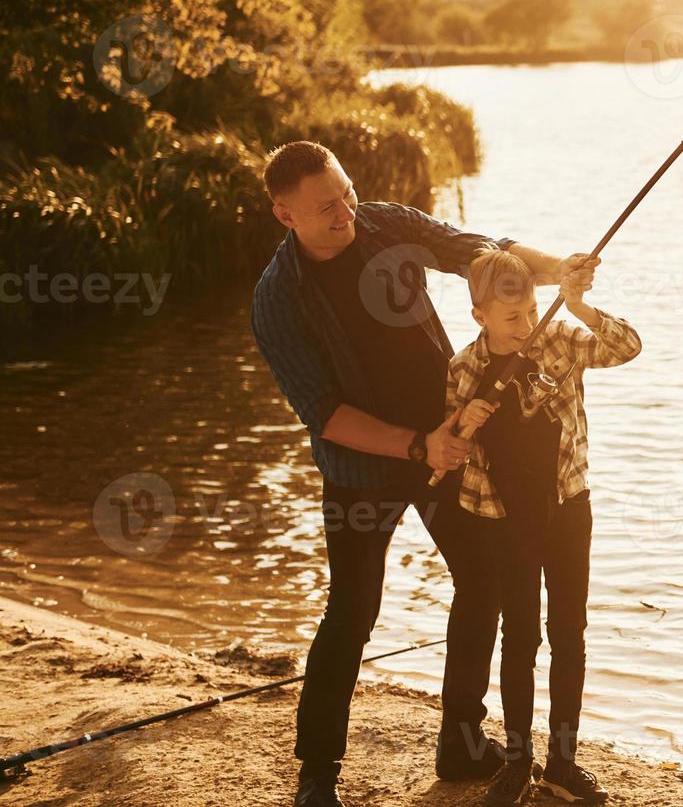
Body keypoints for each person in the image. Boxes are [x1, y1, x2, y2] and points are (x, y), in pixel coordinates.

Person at [249, 141, 599, 807]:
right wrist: (418, 447)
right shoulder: (276, 300)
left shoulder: (385, 225)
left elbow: (485, 253)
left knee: (486, 579)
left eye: (348, 192)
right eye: (326, 208)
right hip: (362, 467)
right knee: (354, 609)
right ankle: (317, 773)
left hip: (453, 444)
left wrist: (560, 271)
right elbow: (322, 412)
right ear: (284, 215)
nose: (347, 211)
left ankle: (461, 741)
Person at [445, 249, 641, 805]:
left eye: (532, 311)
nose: (526, 326)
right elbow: (447, 453)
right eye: (512, 318)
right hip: (504, 517)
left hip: (567, 505)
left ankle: (562, 761)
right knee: (520, 637)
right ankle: (516, 762)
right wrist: (465, 422)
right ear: (480, 315)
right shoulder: (464, 368)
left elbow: (627, 347)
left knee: (568, 633)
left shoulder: (557, 339)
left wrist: (578, 305)